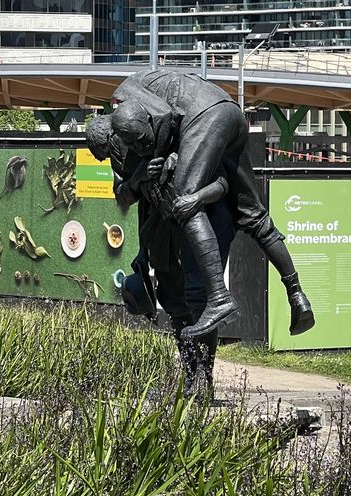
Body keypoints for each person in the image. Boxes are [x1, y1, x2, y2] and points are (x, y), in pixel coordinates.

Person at [108, 69, 315, 340]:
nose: (139, 147)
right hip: (231, 113)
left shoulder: (130, 99)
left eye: (140, 139)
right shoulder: (147, 90)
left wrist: (166, 168)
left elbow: (164, 118)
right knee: (254, 215)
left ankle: (218, 297)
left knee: (184, 199)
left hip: (205, 117)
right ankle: (297, 294)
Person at [86, 115, 235, 397]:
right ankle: (192, 374)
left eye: (108, 149)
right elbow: (122, 195)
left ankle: (205, 375)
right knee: (173, 302)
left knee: (198, 299)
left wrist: (175, 162)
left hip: (191, 228)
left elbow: (216, 176)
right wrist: (139, 178)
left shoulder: (157, 131)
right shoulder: (121, 154)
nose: (111, 156)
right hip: (158, 232)